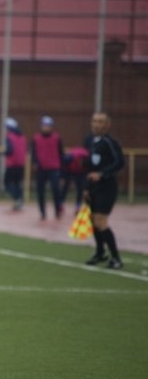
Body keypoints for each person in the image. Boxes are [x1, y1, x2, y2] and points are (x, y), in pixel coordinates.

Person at [83, 111, 125, 270]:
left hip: (107, 186)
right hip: (93, 187)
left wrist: (102, 174)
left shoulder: (110, 142)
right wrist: (86, 187)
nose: (96, 124)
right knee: (93, 220)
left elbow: (120, 162)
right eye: (94, 121)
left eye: (100, 122)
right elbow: (89, 166)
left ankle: (116, 258)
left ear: (107, 125)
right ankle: (100, 252)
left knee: (101, 221)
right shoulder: (89, 141)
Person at [31, 115, 64, 220]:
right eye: (44, 125)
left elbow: (61, 153)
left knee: (55, 190)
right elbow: (34, 152)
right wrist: (35, 163)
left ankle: (57, 210)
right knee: (40, 191)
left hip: (54, 168)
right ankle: (42, 212)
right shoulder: (36, 138)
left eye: (48, 126)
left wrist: (61, 167)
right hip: (41, 168)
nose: (46, 128)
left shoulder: (56, 138)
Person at [3, 117, 27, 211]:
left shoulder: (10, 137)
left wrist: (4, 153)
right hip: (21, 164)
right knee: (17, 183)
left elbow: (10, 150)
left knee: (7, 183)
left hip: (12, 164)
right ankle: (20, 199)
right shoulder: (22, 137)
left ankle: (17, 198)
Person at [60, 145, 89, 215]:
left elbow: (87, 172)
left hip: (80, 172)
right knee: (65, 187)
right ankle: (61, 204)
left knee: (80, 188)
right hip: (70, 170)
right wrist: (63, 177)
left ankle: (78, 206)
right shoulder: (69, 158)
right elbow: (63, 166)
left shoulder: (87, 159)